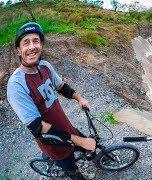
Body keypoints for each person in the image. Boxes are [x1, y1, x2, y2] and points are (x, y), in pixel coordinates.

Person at [7, 22, 95, 179]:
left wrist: (79, 98)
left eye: (36, 41)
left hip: (67, 128)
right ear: (19, 50)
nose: (32, 46)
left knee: (89, 144)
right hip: (53, 142)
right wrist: (80, 142)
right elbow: (37, 127)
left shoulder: (45, 66)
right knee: (73, 170)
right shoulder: (16, 85)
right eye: (26, 42)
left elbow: (61, 86)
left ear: (41, 45)